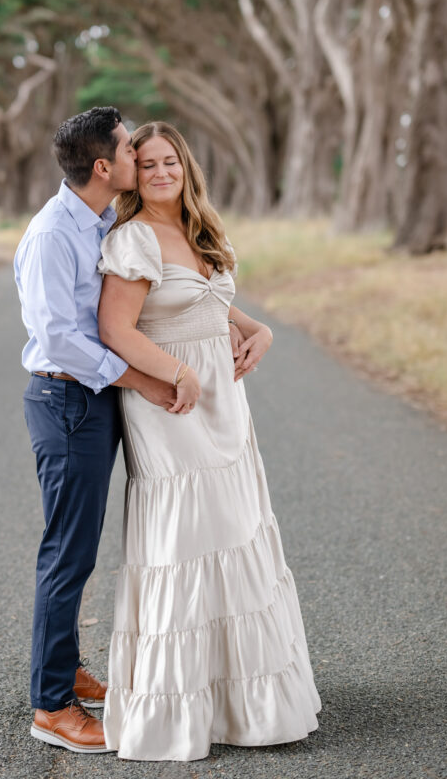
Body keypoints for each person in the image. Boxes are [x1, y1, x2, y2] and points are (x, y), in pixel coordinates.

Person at [97, 121, 322, 761]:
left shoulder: (199, 229)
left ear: (185, 166)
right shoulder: (134, 237)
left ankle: (239, 705)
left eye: (170, 161)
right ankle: (175, 707)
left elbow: (210, 305)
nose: (160, 171)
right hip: (170, 403)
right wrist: (179, 372)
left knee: (235, 532)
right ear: (132, 175)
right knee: (186, 541)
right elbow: (116, 330)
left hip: (225, 405)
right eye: (147, 164)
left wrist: (261, 330)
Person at [13, 107, 184, 754]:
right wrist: (142, 380)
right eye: (128, 149)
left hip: (91, 400)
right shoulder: (54, 233)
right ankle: (51, 705)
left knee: (78, 549)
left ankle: (65, 671)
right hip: (66, 403)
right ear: (104, 166)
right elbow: (58, 336)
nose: (142, 157)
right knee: (68, 552)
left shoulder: (104, 219)